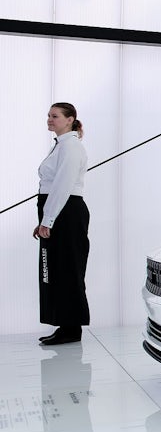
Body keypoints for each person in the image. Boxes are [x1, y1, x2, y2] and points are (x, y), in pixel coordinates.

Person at [34, 102, 91, 345]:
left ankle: (72, 329)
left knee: (67, 269)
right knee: (56, 269)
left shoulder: (71, 148)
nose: (49, 119)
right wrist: (44, 219)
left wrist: (48, 219)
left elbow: (63, 186)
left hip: (66, 213)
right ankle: (65, 325)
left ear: (70, 119)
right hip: (58, 210)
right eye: (48, 115)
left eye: (55, 116)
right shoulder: (61, 146)